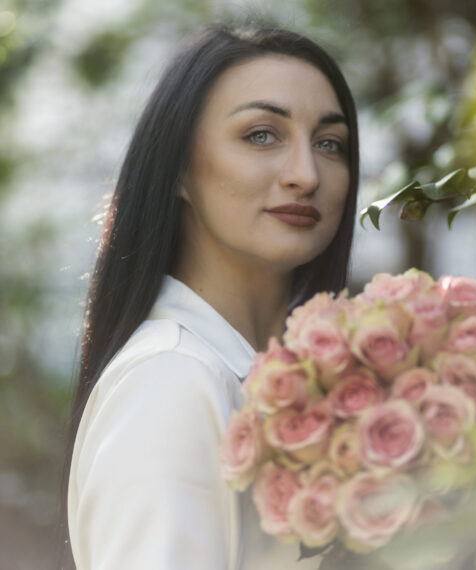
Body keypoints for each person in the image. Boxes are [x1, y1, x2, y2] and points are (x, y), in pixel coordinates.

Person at [65, 23, 359, 569]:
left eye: (329, 143)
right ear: (178, 167)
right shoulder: (173, 382)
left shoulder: (294, 383)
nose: (306, 174)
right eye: (261, 135)